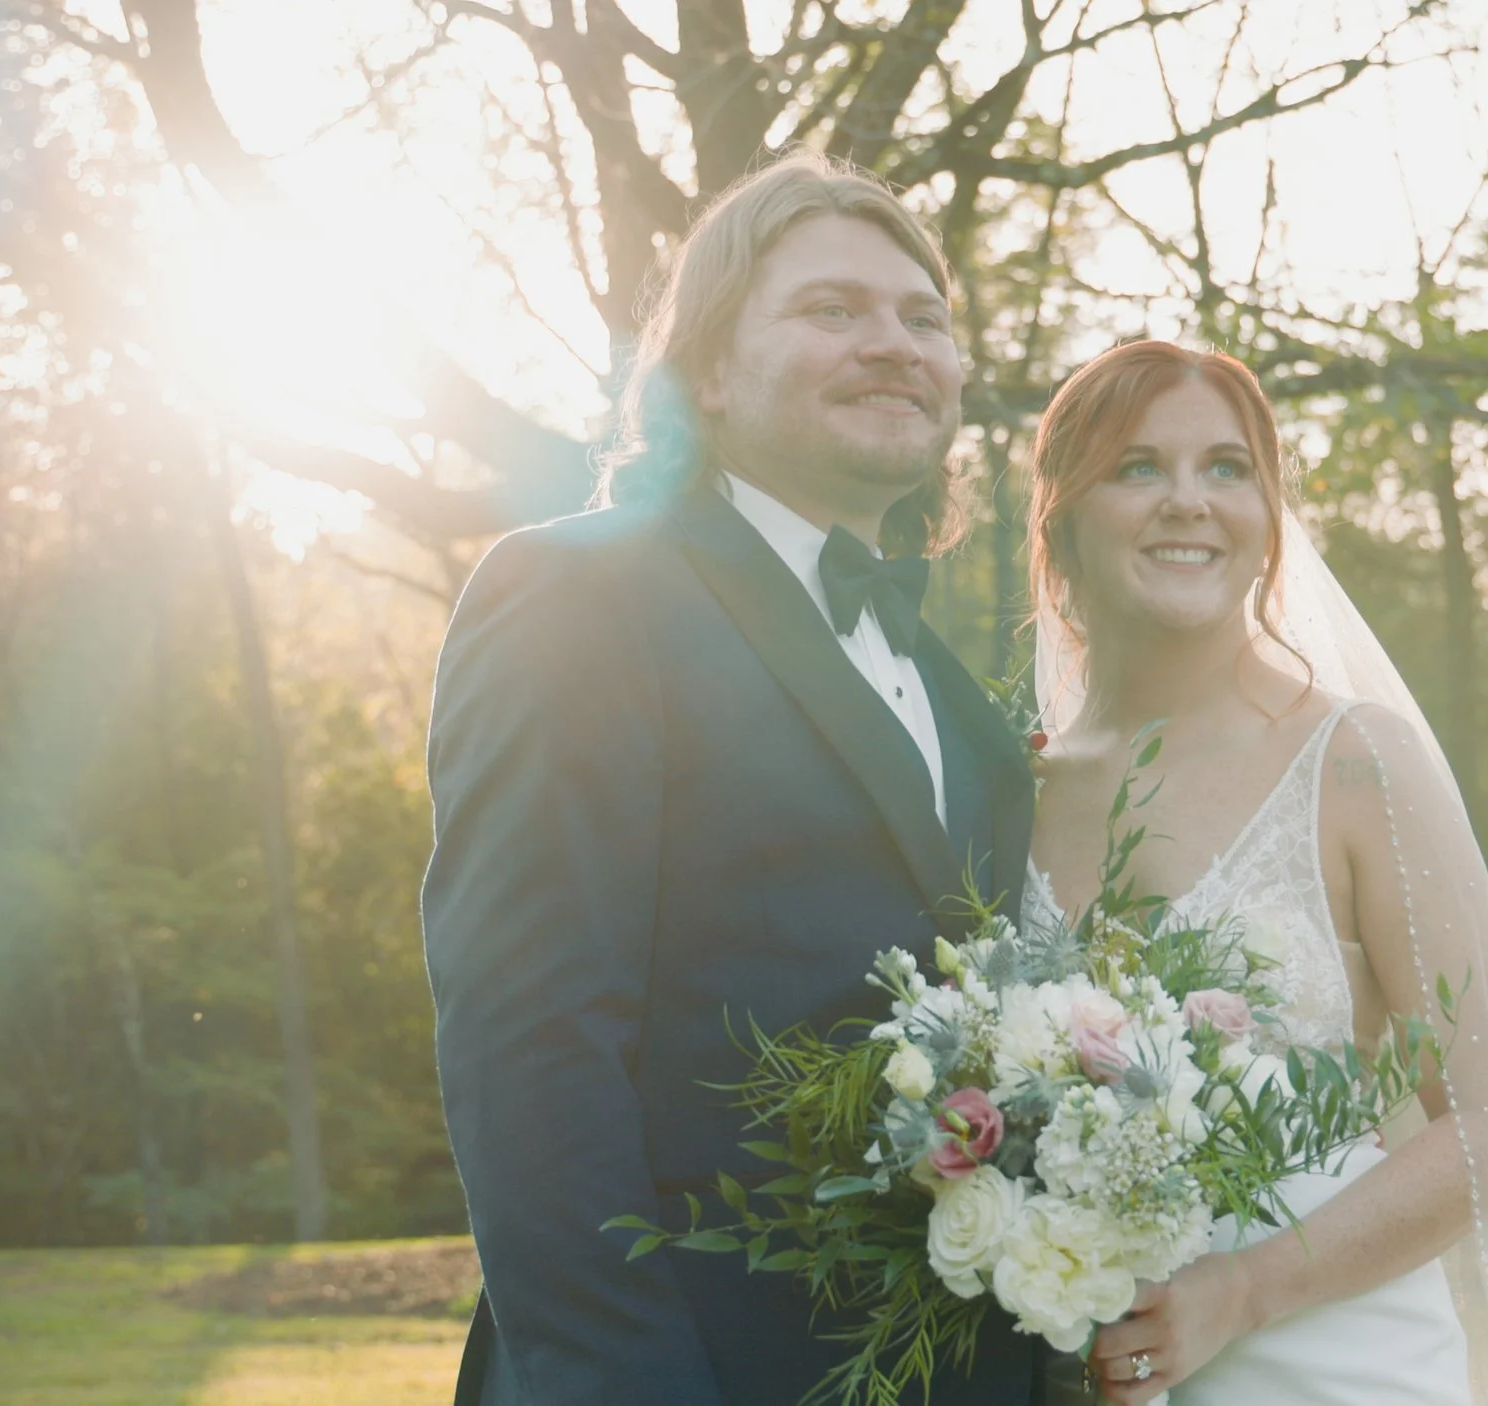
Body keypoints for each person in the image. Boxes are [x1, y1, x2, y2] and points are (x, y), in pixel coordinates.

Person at [420, 153, 1048, 1405]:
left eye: (924, 317)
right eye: (833, 311)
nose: (894, 343)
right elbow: (531, 1045)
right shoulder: (580, 594)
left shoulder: (970, 710)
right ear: (705, 371)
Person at [1020, 341, 1488, 1405]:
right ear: (1060, 522)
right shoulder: (1014, 789)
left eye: (1227, 468)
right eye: (1137, 467)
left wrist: (1245, 1288)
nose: (1189, 500)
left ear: (1271, 519)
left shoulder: (1358, 763)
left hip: (1339, 1366)